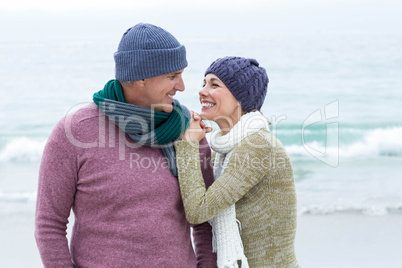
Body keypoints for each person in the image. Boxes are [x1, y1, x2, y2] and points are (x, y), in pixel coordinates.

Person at [35, 23, 217, 267]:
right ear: (140, 77)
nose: (182, 87)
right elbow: (49, 225)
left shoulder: (188, 130)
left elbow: (205, 220)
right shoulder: (75, 131)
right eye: (172, 76)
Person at [174, 56, 300, 267]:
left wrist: (187, 144)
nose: (203, 91)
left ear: (241, 97)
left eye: (214, 84)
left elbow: (198, 211)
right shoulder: (222, 149)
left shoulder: (257, 145)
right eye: (204, 83)